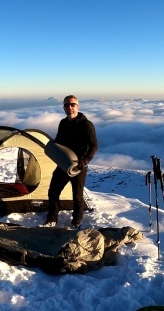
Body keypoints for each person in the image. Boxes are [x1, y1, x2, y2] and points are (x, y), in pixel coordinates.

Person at [42, 95, 98, 228]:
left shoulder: (86, 125)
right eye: (67, 105)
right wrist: (53, 150)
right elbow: (59, 141)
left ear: (78, 106)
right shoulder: (63, 123)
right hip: (63, 163)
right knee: (53, 191)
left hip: (78, 165)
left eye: (72, 105)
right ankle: (52, 219)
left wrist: (84, 161)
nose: (70, 107)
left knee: (77, 196)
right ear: (64, 108)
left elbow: (94, 145)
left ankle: (76, 222)